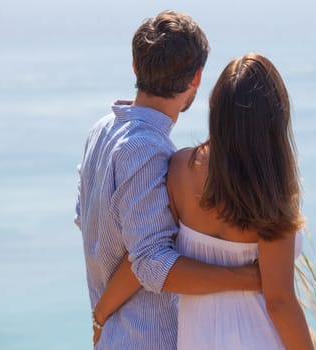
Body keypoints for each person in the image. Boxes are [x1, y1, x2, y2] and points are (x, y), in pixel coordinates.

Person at [93, 53, 315, 349]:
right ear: (275, 118)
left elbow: (145, 258)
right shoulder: (270, 192)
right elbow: (279, 302)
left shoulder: (181, 169)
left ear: (217, 109)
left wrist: (101, 314)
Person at [74, 11, 260, 350]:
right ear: (197, 78)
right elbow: (151, 263)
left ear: (135, 65)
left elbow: (88, 224)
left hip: (114, 337)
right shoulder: (150, 151)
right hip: (147, 339)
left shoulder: (101, 131)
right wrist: (247, 278)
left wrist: (101, 312)